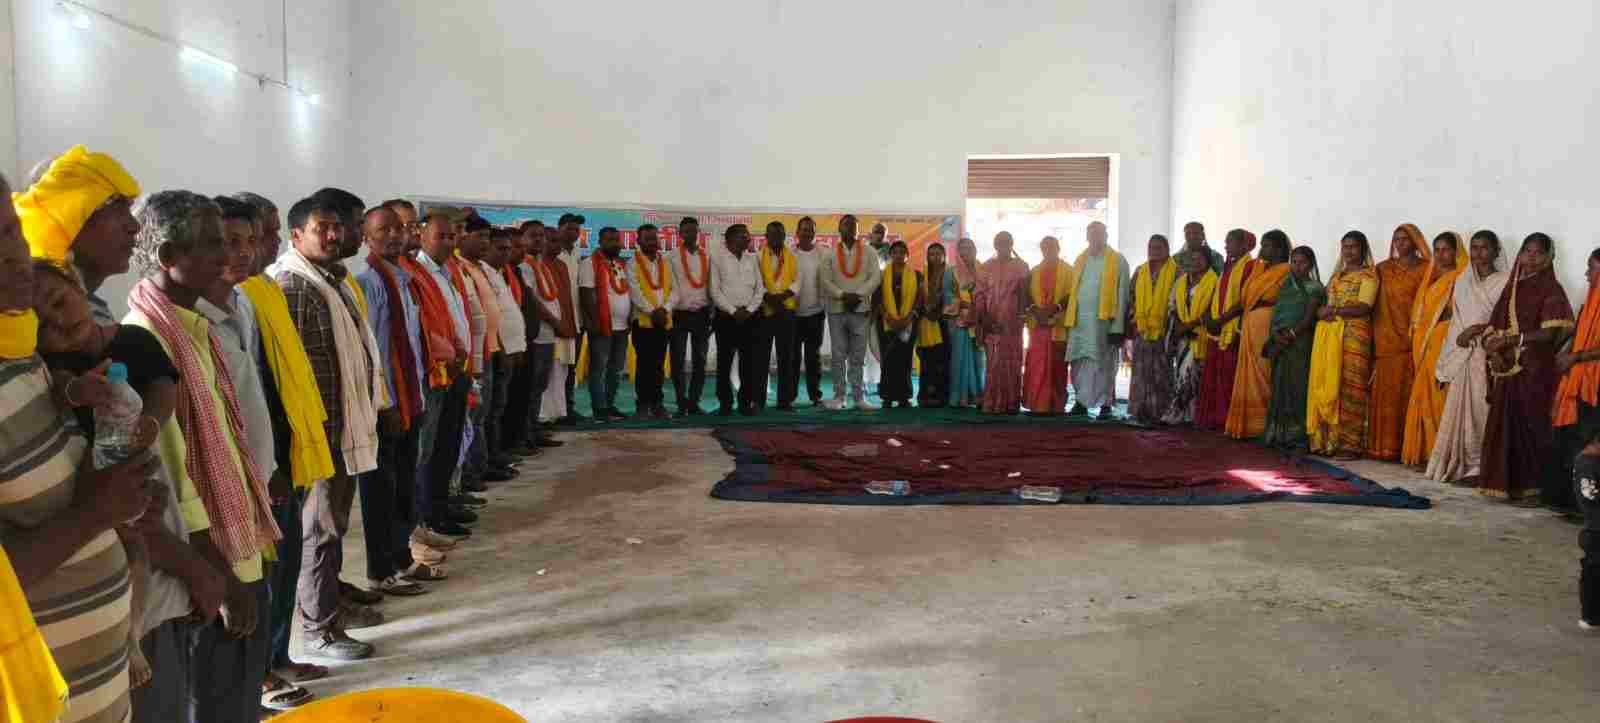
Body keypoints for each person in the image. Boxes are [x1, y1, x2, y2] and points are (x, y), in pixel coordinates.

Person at [1, 169, 158, 723]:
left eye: (10, 231)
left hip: (95, 690)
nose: (11, 253)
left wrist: (118, 483)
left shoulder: (21, 357)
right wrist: (95, 512)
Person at [125, 191, 283, 722]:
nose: (229, 255)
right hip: (212, 566)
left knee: (238, 694)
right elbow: (173, 482)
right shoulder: (148, 337)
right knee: (218, 701)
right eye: (214, 244)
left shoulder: (196, 328)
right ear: (168, 255)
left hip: (235, 547)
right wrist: (221, 578)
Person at [268, 194, 383, 660]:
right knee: (319, 532)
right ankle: (319, 629)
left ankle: (330, 606)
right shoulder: (295, 286)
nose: (335, 235)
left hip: (341, 428)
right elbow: (295, 375)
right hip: (319, 435)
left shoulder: (329, 280)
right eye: (323, 228)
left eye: (339, 227)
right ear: (297, 235)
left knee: (332, 528)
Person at [234, 191, 337, 696]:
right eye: (263, 233)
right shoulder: (249, 295)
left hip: (286, 449)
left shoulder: (260, 291)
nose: (270, 242)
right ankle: (259, 673)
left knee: (287, 561)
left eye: (269, 233)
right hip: (264, 459)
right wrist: (269, 460)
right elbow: (254, 385)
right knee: (268, 571)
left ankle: (278, 655)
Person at [352, 205, 433, 596]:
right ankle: (380, 569)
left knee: (403, 486)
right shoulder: (367, 283)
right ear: (366, 237)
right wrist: (386, 405)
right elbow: (371, 354)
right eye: (384, 230)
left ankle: (402, 558)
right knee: (380, 491)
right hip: (386, 406)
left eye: (400, 229)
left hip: (410, 398)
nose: (395, 235)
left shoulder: (403, 279)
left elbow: (411, 344)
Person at [1478, 233, 1573, 504]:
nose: (1531, 257)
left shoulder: (1552, 289)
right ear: (1519, 254)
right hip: (1506, 368)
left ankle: (1536, 489)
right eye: (1527, 251)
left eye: (1538, 252)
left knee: (1532, 429)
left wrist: (1512, 341)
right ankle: (1506, 484)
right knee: (1504, 429)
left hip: (1535, 371)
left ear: (1548, 258)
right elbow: (1493, 327)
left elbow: (1551, 333)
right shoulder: (1512, 289)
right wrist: (1493, 351)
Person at [401, 214, 475, 540]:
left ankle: (441, 507)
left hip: (457, 370)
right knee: (428, 450)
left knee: (448, 443)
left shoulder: (447, 273)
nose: (447, 242)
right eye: (440, 236)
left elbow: (452, 320)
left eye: (451, 236)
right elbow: (425, 328)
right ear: (421, 236)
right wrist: (450, 356)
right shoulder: (414, 273)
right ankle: (427, 517)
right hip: (436, 374)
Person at [1426, 231, 1510, 484]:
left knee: (1483, 410)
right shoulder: (1464, 281)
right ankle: (1464, 465)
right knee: (1464, 414)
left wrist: (1478, 330)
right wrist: (1453, 351)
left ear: (1496, 251)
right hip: (1465, 355)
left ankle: (1482, 466)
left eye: (1485, 248)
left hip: (1491, 354)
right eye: (1474, 248)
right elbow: (1457, 323)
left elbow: (1508, 320)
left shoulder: (1505, 281)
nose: (1479, 253)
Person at [1553, 250, 1600, 630]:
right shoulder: (1590, 302)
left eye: (1592, 268)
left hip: (1594, 380)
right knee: (1583, 449)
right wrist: (1567, 353)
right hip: (1583, 382)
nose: (1586, 274)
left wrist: (1578, 356)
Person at [1306, 231, 1378, 460]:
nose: (1349, 251)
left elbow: (1364, 307)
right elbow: (1325, 304)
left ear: (1362, 249)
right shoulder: (1336, 276)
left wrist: (1334, 311)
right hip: (1331, 335)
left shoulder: (1368, 275)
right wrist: (1320, 311)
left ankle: (1351, 444)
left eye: (1353, 247)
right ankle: (1331, 441)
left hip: (1355, 335)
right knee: (1331, 383)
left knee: (1351, 386)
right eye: (1345, 246)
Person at [1400, 232, 1467, 467]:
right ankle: (1425, 452)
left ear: (1456, 252)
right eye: (1436, 250)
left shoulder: (1462, 277)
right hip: (1426, 344)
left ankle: (1440, 454)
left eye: (1446, 250)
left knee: (1440, 397)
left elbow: (1458, 313)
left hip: (1445, 342)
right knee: (1424, 395)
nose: (1440, 255)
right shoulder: (1432, 278)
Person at [1366, 224, 1432, 461]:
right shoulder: (1382, 269)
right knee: (1386, 393)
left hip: (1413, 340)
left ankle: (1408, 448)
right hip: (1386, 340)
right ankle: (1383, 448)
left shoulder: (1426, 268)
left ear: (1415, 242)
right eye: (1396, 239)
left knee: (1408, 393)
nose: (1400, 243)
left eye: (1405, 239)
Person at [1223, 230, 1291, 439]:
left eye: (1267, 245)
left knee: (1263, 373)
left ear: (1279, 249)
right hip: (1249, 324)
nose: (1262, 249)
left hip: (1267, 324)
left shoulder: (1287, 270)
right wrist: (1223, 319)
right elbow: (1244, 300)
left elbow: (1286, 302)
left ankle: (1262, 426)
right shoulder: (1258, 269)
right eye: (1262, 245)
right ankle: (1246, 426)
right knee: (1247, 374)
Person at [1194, 229, 1260, 429]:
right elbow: (1217, 294)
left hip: (1233, 328)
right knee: (1214, 376)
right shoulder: (1227, 267)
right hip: (1217, 328)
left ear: (1243, 245)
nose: (1225, 246)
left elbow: (1244, 300)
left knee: (1228, 376)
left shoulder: (1250, 266)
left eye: (1230, 242)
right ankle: (1212, 418)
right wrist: (1208, 316)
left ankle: (1225, 419)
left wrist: (1221, 320)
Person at [1261, 246, 1325, 450]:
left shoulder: (1315, 288)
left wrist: (1292, 334)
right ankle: (1277, 433)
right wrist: (1276, 335)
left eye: (1302, 262)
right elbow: (1277, 314)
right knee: (1279, 385)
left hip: (1300, 343)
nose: (1297, 266)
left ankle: (1297, 435)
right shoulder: (1285, 286)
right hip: (1281, 343)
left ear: (1310, 265)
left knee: (1298, 386)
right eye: (1294, 262)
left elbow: (1308, 317)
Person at [1065, 222, 1130, 419]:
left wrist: (1118, 327)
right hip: (1079, 324)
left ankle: (1106, 405)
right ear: (1087, 237)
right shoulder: (1080, 259)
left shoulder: (1118, 260)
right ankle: (1081, 403)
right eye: (1092, 234)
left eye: (1099, 234)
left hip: (1103, 324)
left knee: (1104, 364)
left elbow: (1123, 295)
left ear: (1106, 236)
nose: (1095, 238)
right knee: (1079, 363)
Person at [820, 214, 883, 410]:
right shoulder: (829, 253)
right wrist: (842, 295)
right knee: (838, 355)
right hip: (837, 309)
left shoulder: (869, 252)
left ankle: (859, 397)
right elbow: (825, 280)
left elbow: (875, 278)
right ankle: (839, 396)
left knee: (858, 356)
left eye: (853, 226)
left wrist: (858, 295)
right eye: (846, 225)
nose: (850, 229)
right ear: (839, 229)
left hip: (860, 308)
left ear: (858, 230)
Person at [480, 228, 529, 465]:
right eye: (500, 249)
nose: (506, 253)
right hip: (498, 351)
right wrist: (502, 348)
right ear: (487, 248)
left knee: (502, 405)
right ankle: (492, 457)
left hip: (511, 349)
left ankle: (499, 451)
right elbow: (490, 317)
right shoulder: (483, 273)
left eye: (508, 249)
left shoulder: (499, 273)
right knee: (493, 409)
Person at [973, 231, 1029, 415]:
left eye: (1006, 242)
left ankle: (1011, 404)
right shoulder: (986, 266)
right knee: (993, 363)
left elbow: (1025, 295)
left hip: (1012, 323)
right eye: (1000, 242)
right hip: (991, 320)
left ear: (1012, 244)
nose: (1003, 245)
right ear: (995, 245)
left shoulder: (1021, 266)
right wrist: (985, 318)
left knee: (1012, 362)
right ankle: (992, 402)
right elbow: (979, 294)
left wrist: (1020, 318)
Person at [579, 227, 632, 420]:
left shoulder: (619, 263)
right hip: (602, 326)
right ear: (600, 242)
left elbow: (625, 291)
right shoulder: (589, 263)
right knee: (598, 369)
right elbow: (586, 294)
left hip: (622, 327)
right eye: (610, 240)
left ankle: (609, 405)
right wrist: (594, 323)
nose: (615, 243)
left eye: (617, 240)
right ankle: (599, 409)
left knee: (616, 370)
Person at [710, 224, 763, 415]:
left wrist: (749, 310)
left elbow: (760, 289)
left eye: (748, 236)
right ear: (730, 239)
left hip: (750, 318)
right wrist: (733, 311)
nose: (748, 239)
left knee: (748, 363)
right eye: (743, 236)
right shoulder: (718, 259)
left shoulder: (752, 259)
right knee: (724, 362)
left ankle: (745, 403)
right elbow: (714, 291)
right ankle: (725, 403)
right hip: (726, 318)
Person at [1163, 250, 1218, 425]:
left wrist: (1191, 324)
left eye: (1199, 258)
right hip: (1182, 335)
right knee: (1182, 373)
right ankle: (1186, 414)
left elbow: (1213, 309)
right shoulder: (1181, 282)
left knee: (1191, 374)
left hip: (1201, 335)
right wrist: (1179, 324)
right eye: (1192, 259)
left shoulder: (1214, 282)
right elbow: (1172, 305)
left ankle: (1181, 413)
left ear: (1208, 261)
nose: (1195, 262)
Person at [1127, 234, 1177, 424]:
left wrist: (1172, 325)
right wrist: (1134, 321)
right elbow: (1131, 297)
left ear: (1167, 250)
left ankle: (1161, 412)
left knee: (1161, 372)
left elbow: (1179, 300)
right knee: (1141, 371)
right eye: (1151, 248)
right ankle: (1139, 411)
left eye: (1158, 248)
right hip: (1142, 329)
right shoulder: (1140, 271)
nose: (1154, 251)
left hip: (1164, 330)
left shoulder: (1176, 272)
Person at [533, 224, 580, 423]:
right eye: (552, 241)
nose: (557, 245)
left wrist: (570, 325)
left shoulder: (561, 265)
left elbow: (567, 298)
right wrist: (556, 323)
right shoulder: (536, 265)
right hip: (547, 329)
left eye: (558, 242)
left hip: (566, 325)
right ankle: (543, 416)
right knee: (547, 374)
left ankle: (559, 413)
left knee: (562, 372)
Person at [1023, 236, 1073, 415]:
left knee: (1058, 367)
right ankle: (1037, 404)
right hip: (1038, 325)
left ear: (1058, 248)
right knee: (1037, 365)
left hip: (1059, 326)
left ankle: (1056, 405)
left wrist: (1055, 308)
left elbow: (1072, 295)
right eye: (1045, 247)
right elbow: (1026, 295)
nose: (1048, 250)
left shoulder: (1069, 270)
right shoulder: (1034, 271)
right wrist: (1036, 311)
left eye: (1051, 247)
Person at [668, 217, 713, 416]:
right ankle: (681, 402)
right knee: (677, 361)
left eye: (694, 231)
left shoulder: (707, 256)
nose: (690, 235)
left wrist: (712, 311)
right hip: (679, 314)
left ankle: (694, 402)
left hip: (702, 314)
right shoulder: (671, 257)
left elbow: (711, 285)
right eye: (686, 231)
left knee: (700, 361)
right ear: (680, 234)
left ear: (698, 232)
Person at [629, 224, 674, 419]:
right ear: (638, 241)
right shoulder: (632, 263)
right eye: (647, 238)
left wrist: (666, 309)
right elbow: (635, 292)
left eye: (654, 238)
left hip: (663, 321)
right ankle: (643, 404)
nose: (652, 242)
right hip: (643, 322)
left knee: (658, 365)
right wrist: (652, 311)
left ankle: (658, 404)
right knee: (644, 365)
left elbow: (675, 290)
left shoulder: (667, 262)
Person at [753, 221, 799, 411]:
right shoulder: (757, 257)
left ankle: (784, 401)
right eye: (772, 234)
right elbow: (756, 282)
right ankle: (759, 400)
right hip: (764, 312)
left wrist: (782, 297)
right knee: (761, 358)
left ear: (784, 236)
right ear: (766, 236)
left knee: (786, 358)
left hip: (786, 311)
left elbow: (798, 281)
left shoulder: (793, 256)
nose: (776, 237)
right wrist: (769, 298)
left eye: (780, 234)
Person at [784, 216, 827, 408]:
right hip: (792, 314)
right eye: (804, 229)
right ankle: (790, 396)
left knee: (813, 358)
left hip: (816, 313)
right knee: (793, 357)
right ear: (797, 232)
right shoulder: (789, 253)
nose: (807, 233)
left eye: (811, 230)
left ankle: (815, 395)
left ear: (815, 233)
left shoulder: (823, 253)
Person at [875, 241, 923, 409]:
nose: (898, 255)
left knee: (905, 359)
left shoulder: (916, 275)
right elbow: (877, 298)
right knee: (888, 360)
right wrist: (888, 317)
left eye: (902, 252)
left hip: (908, 323)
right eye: (895, 252)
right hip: (886, 323)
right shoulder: (881, 275)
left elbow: (919, 299)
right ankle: (887, 397)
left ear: (907, 255)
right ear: (890, 255)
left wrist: (908, 318)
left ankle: (904, 397)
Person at [947, 237, 986, 407]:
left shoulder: (983, 270)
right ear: (957, 252)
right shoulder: (951, 272)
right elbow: (947, 295)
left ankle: (979, 395)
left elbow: (989, 293)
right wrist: (962, 304)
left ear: (975, 250)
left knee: (979, 359)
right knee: (961, 359)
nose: (965, 251)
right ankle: (962, 396)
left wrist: (979, 308)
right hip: (960, 321)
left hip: (979, 320)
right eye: (962, 248)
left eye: (969, 247)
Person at [555, 213, 586, 424]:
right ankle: (555, 410)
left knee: (571, 366)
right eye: (569, 228)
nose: (574, 233)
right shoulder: (552, 252)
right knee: (557, 368)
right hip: (558, 319)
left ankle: (568, 406)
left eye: (576, 229)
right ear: (559, 228)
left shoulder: (577, 252)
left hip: (577, 320)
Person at [917, 242, 954, 408]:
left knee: (942, 360)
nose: (935, 257)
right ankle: (925, 396)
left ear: (944, 256)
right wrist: (925, 312)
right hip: (926, 322)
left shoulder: (950, 274)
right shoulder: (923, 274)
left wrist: (938, 313)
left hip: (943, 322)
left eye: (939, 254)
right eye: (932, 254)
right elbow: (919, 298)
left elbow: (952, 297)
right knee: (926, 360)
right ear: (927, 256)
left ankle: (941, 396)